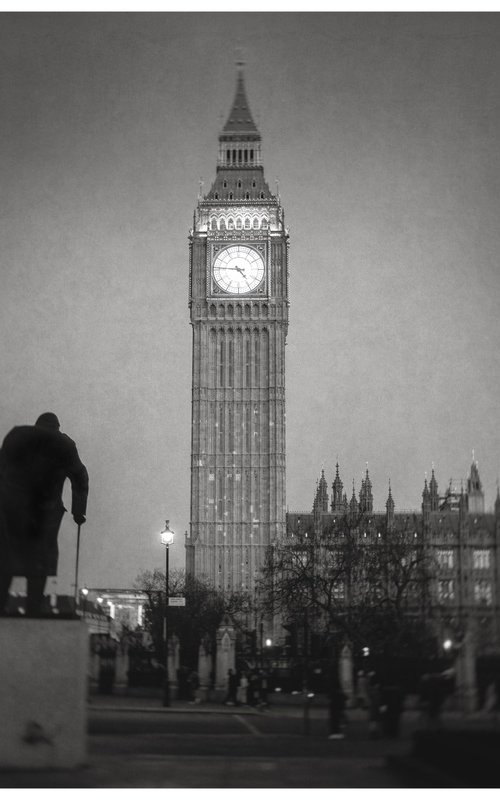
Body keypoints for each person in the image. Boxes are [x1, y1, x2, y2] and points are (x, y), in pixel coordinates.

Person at [0, 413, 88, 616]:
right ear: (57, 427)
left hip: (11, 506)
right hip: (45, 510)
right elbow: (80, 477)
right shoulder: (64, 444)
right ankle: (33, 608)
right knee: (39, 558)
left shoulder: (17, 435)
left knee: (5, 556)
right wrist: (78, 512)